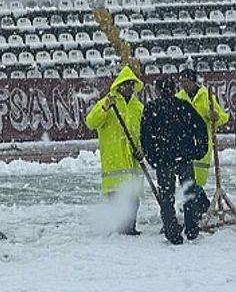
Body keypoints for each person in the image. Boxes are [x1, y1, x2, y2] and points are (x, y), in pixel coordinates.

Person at [140, 75, 209, 244]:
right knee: (188, 193)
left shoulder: (151, 109)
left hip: (164, 161)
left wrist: (152, 158)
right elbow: (200, 128)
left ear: (156, 90)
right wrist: (198, 151)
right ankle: (192, 228)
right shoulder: (183, 106)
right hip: (184, 158)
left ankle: (172, 232)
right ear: (174, 89)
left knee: (166, 197)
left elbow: (145, 137)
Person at [84, 65, 146, 235]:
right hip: (114, 162)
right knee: (116, 198)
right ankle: (119, 227)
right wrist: (104, 108)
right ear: (119, 85)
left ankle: (130, 227)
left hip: (132, 162)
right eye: (126, 84)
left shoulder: (138, 107)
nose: (129, 88)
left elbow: (143, 134)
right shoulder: (107, 102)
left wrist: (142, 150)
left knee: (133, 199)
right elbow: (91, 122)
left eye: (131, 85)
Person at [176, 68, 231, 189]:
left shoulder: (207, 96)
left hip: (202, 144)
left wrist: (216, 118)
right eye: (182, 82)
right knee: (186, 184)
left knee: (198, 183)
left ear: (194, 81)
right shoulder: (178, 98)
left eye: (186, 81)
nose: (184, 85)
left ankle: (197, 205)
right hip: (184, 146)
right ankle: (192, 205)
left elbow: (223, 116)